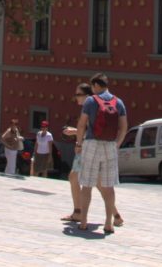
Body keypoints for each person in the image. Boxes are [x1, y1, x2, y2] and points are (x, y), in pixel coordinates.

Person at [61, 83, 123, 227]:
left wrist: (75, 134)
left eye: (78, 94)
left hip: (87, 149)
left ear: (87, 95)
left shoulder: (89, 106)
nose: (76, 97)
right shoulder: (96, 106)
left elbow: (91, 131)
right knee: (98, 183)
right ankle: (116, 215)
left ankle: (78, 213)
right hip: (97, 147)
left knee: (75, 177)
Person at [74, 72, 127, 234]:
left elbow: (82, 124)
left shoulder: (91, 101)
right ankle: (108, 223)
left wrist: (79, 143)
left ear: (96, 86)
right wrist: (117, 144)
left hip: (92, 143)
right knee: (108, 186)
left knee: (87, 185)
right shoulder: (118, 102)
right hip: (110, 145)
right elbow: (124, 126)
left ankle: (83, 221)